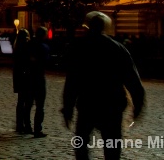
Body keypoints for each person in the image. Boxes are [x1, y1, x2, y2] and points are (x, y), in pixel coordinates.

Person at [62, 11, 145, 160]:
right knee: (112, 144)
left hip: (88, 102)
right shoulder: (117, 48)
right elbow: (132, 79)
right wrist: (137, 104)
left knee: (81, 143)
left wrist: (68, 107)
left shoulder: (80, 48)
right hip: (112, 103)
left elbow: (72, 81)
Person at [27, 26, 50, 138]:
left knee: (28, 103)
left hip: (29, 76)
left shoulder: (29, 44)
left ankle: (26, 125)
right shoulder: (43, 47)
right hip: (39, 77)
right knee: (40, 105)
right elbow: (46, 61)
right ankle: (37, 128)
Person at [12, 28, 33, 135]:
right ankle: (27, 124)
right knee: (28, 102)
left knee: (21, 101)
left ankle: (19, 124)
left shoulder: (17, 46)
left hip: (19, 78)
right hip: (26, 78)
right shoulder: (26, 47)